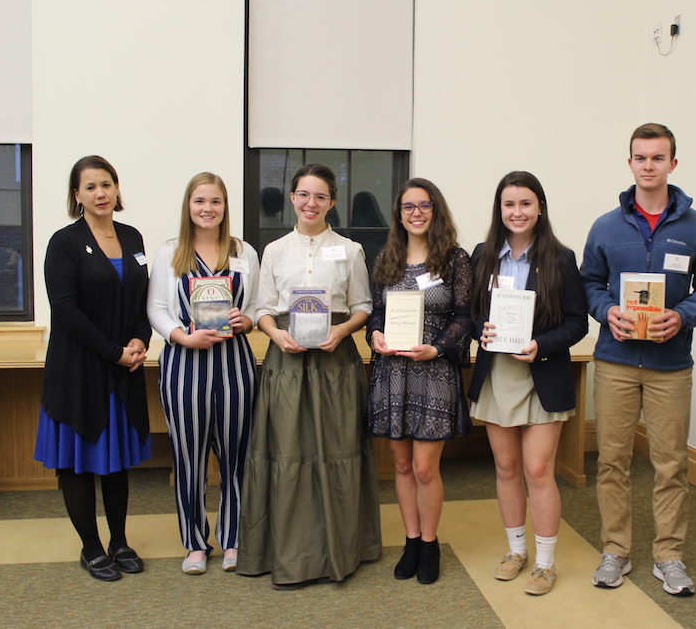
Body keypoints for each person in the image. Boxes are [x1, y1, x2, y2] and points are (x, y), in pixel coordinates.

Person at [580, 123, 696, 596]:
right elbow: (589, 285)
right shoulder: (605, 226)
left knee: (670, 464)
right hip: (616, 360)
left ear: (672, 164)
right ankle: (615, 550)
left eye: (657, 158)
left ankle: (669, 556)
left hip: (670, 366)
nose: (648, 166)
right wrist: (608, 311)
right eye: (640, 158)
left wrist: (682, 318)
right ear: (630, 164)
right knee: (613, 461)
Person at [238, 163, 381, 589]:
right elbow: (262, 308)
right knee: (288, 455)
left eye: (320, 196)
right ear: (292, 198)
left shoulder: (351, 250)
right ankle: (288, 552)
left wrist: (343, 329)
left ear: (331, 202)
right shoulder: (275, 250)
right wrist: (275, 335)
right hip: (288, 363)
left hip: (336, 364)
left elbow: (363, 305)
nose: (311, 203)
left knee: (339, 452)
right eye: (303, 194)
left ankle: (342, 548)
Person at [467, 171, 588, 596]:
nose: (517, 212)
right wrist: (480, 329)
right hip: (498, 373)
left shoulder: (560, 257)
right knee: (506, 468)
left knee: (538, 471)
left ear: (540, 208)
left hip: (542, 373)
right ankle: (516, 551)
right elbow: (470, 313)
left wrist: (541, 345)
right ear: (499, 210)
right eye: (509, 204)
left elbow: (577, 322)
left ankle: (545, 563)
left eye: (525, 204)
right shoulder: (483, 255)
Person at [34, 155, 152, 582]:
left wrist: (140, 339)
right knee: (80, 461)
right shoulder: (64, 242)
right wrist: (113, 352)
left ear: (117, 189)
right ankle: (91, 547)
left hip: (123, 366)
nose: (100, 193)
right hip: (79, 369)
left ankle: (119, 541)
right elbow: (65, 309)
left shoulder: (132, 236)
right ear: (76, 195)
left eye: (107, 184)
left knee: (116, 459)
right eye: (90, 187)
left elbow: (142, 298)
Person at [147, 172, 260, 575]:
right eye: (199, 201)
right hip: (184, 364)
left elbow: (259, 307)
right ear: (188, 206)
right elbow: (156, 308)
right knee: (188, 456)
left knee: (236, 456)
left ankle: (232, 538)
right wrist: (180, 335)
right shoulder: (170, 252)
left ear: (225, 206)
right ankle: (195, 543)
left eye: (215, 201)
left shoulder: (243, 252)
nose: (207, 209)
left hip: (234, 366)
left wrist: (247, 321)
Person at [366, 178, 473, 585]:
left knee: (426, 468)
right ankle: (411, 540)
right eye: (408, 207)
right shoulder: (387, 257)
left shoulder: (454, 259)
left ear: (435, 210)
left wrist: (439, 347)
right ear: (399, 213)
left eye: (424, 205)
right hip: (392, 372)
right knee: (401, 464)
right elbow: (377, 312)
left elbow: (465, 316)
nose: (416, 213)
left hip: (433, 371)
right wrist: (374, 333)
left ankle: (429, 543)